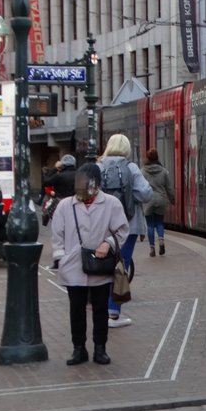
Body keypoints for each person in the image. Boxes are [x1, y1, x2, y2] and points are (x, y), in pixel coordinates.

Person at [50, 162, 128, 366]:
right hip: (73, 266)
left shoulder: (111, 203)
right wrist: (62, 258)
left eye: (89, 184)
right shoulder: (66, 205)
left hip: (100, 265)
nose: (84, 189)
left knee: (100, 309)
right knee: (76, 310)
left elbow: (121, 230)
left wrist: (108, 244)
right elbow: (57, 235)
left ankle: (100, 348)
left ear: (98, 184)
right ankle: (79, 348)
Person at [98, 135, 152, 327]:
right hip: (128, 227)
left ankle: (100, 311)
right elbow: (146, 193)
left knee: (100, 268)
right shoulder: (131, 168)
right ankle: (114, 313)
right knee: (121, 267)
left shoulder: (99, 167)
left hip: (101, 228)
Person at [141, 148, 175, 257]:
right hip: (161, 199)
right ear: (157, 157)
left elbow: (140, 187)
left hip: (148, 200)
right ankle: (161, 240)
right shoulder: (164, 171)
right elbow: (169, 188)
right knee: (159, 222)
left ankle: (152, 248)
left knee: (150, 225)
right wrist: (172, 199)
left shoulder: (143, 171)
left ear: (147, 158)